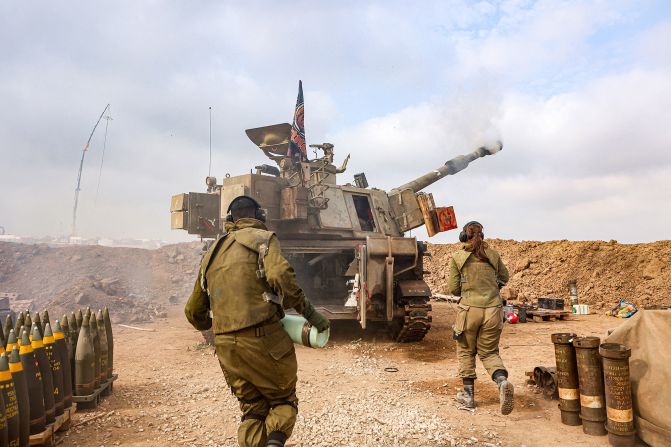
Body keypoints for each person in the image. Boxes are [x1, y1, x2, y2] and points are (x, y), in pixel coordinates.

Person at [184, 195, 330, 447]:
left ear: (230, 220)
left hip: (226, 346)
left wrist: (217, 327)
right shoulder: (265, 240)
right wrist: (312, 315)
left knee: (252, 408)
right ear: (260, 216)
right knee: (282, 400)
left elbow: (193, 311)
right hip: (262, 337)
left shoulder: (212, 252)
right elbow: (281, 276)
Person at [447, 221, 513, 414]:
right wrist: (492, 287)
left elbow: (453, 288)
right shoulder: (493, 255)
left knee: (466, 351)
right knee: (489, 352)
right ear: (482, 236)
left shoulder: (458, 257)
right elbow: (505, 277)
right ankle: (502, 382)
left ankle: (468, 397)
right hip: (493, 311)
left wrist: (469, 290)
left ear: (463, 237)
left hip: (469, 311)